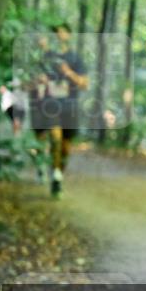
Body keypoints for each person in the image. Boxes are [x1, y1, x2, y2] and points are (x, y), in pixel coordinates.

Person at [40, 23, 88, 197]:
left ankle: (58, 174)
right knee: (55, 139)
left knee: (66, 148)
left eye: (62, 32)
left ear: (68, 35)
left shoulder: (76, 59)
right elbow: (35, 78)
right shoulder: (47, 57)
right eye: (56, 32)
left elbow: (84, 84)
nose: (59, 35)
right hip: (51, 106)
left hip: (70, 107)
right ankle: (55, 176)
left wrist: (69, 73)